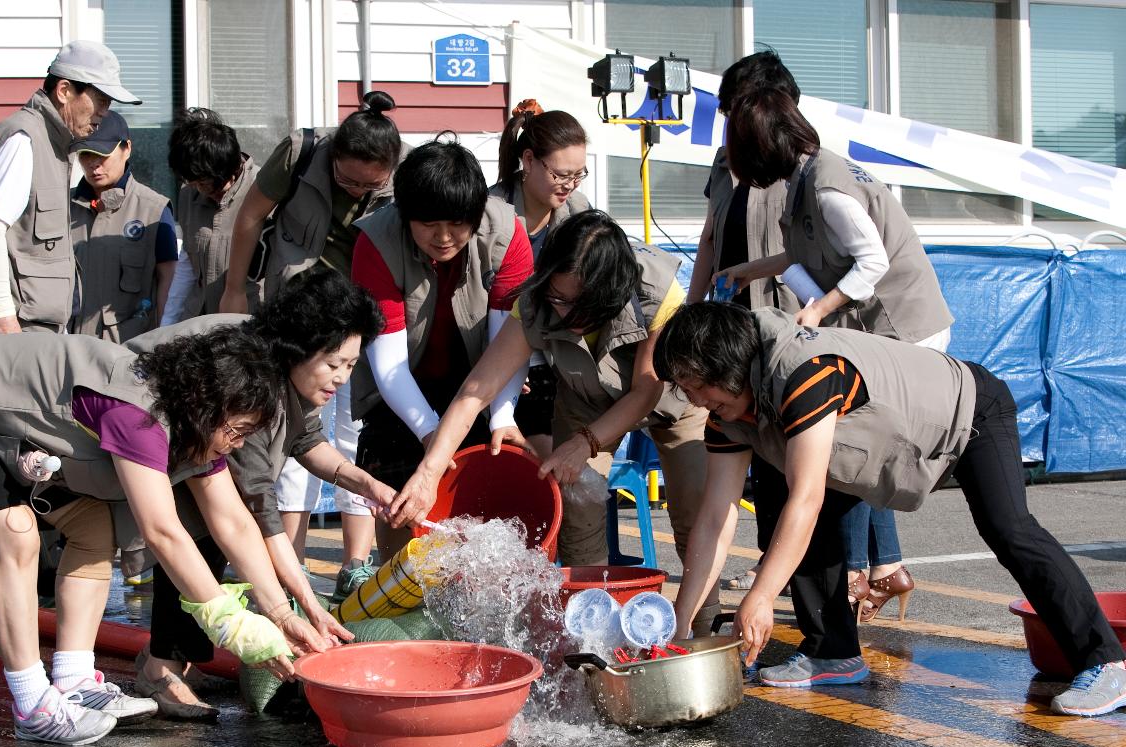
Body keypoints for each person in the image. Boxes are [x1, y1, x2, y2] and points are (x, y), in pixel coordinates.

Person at [654, 301, 1126, 716]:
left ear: (728, 366)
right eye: (686, 389)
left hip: (966, 410)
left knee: (1009, 529)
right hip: (872, 440)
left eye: (697, 385)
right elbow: (716, 517)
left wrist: (758, 597)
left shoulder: (807, 371)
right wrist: (678, 624)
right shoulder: (726, 414)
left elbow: (809, 497)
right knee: (780, 503)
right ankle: (832, 653)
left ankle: (1104, 662)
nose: (695, 400)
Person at [0, 325, 323, 744]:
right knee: (17, 536)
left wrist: (281, 614)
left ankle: (74, 681)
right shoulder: (137, 415)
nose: (237, 444)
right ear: (208, 405)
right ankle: (32, 705)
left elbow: (232, 520)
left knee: (93, 531)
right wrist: (229, 623)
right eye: (237, 430)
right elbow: (162, 531)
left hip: (10, 414)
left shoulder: (193, 424)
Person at [388, 210, 717, 632]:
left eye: (578, 304)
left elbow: (645, 391)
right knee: (579, 514)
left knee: (694, 513)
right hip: (584, 400)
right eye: (557, 299)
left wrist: (585, 443)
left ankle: (703, 632)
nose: (562, 313)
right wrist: (429, 471)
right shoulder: (539, 302)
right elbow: (477, 391)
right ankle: (595, 636)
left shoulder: (657, 291)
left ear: (610, 293)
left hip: (675, 399)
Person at [714, 86, 956, 618]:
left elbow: (870, 263)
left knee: (847, 458)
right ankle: (876, 572)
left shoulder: (826, 187)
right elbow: (804, 252)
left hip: (903, 330)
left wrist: (819, 311)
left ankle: (850, 583)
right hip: (875, 331)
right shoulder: (805, 180)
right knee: (847, 460)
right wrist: (752, 271)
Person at [0, 40, 141, 644]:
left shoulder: (56, 146)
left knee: (37, 464)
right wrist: (4, 326)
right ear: (63, 91)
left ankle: (45, 592)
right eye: (96, 98)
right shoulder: (24, 138)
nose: (101, 111)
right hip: (11, 334)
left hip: (34, 334)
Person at [124, 269, 392, 717]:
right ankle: (162, 666)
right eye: (333, 364)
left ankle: (175, 659)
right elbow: (256, 504)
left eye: (350, 365)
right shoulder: (249, 384)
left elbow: (307, 442)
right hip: (134, 433)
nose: (342, 378)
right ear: (298, 348)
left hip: (182, 455)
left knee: (210, 535)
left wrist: (362, 482)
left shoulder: (295, 381)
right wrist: (299, 605)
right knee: (198, 535)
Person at [217, 90, 405, 587]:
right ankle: (290, 561)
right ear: (333, 157)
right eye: (346, 179)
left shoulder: (406, 173)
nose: (358, 191)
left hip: (362, 323)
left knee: (353, 435)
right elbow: (251, 216)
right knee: (292, 435)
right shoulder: (300, 152)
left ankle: (355, 563)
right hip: (299, 321)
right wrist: (236, 288)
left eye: (372, 185)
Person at [351, 135, 534, 560]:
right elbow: (388, 365)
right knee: (402, 517)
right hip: (400, 392)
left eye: (456, 223)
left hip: (479, 381)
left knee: (482, 517)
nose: (444, 237)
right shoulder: (375, 242)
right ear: (404, 215)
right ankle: (397, 588)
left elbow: (508, 344)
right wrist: (434, 437)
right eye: (429, 224)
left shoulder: (508, 233)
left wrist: (502, 417)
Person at [686, 51, 801, 594]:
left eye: (737, 107)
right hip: (733, 325)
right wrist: (693, 308)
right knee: (750, 455)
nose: (731, 120)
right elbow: (710, 237)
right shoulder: (721, 162)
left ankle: (862, 568)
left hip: (783, 323)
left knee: (798, 457)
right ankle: (775, 567)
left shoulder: (791, 161)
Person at [490, 100, 592, 459]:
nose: (570, 185)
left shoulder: (580, 212)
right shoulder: (489, 214)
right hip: (490, 358)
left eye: (578, 174)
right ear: (529, 160)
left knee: (548, 467)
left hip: (555, 363)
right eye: (561, 174)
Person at [69, 111, 178, 341]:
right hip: (67, 345)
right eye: (86, 154)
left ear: (126, 148)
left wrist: (163, 343)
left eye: (102, 154)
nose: (93, 164)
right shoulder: (61, 208)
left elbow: (169, 284)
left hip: (127, 349)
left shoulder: (154, 211)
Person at [161, 108, 260, 322]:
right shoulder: (189, 195)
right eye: (191, 182)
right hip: (202, 323)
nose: (199, 189)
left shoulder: (262, 191)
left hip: (252, 322)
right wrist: (167, 323)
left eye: (204, 182)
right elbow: (188, 264)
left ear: (229, 169)